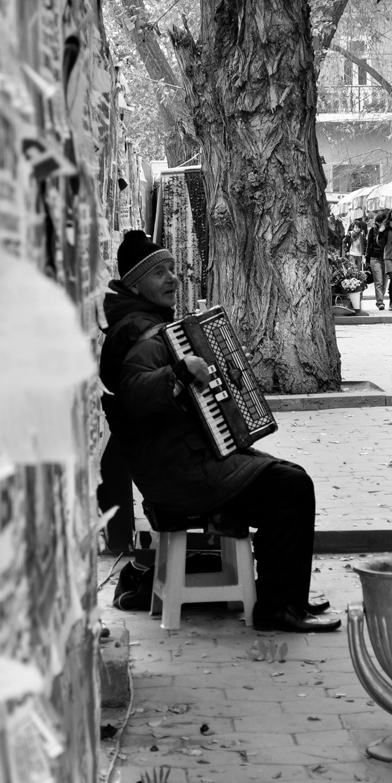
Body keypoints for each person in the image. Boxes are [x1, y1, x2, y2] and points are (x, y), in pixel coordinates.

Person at [99, 230, 341, 633]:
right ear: (136, 284)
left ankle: (284, 596)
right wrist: (179, 372)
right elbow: (136, 394)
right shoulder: (140, 334)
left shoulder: (143, 323)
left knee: (287, 478)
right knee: (292, 488)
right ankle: (279, 606)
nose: (173, 278)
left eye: (173, 269)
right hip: (179, 474)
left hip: (180, 463)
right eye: (159, 273)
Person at [365, 210, 388, 310]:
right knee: (379, 281)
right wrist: (367, 259)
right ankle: (380, 302)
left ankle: (380, 299)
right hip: (375, 258)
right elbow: (369, 245)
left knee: (385, 283)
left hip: (386, 258)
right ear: (378, 222)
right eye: (382, 222)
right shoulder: (372, 230)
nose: (383, 224)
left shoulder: (388, 230)